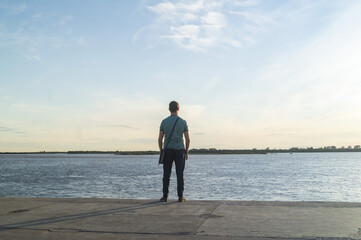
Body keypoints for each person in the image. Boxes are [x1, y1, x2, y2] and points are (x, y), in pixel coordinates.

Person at [158, 101, 190, 202]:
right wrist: (187, 152)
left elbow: (160, 139)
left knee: (166, 174)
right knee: (180, 174)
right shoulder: (183, 122)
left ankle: (165, 196)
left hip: (167, 150)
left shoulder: (164, 121)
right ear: (178, 109)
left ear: (169, 109)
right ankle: (180, 197)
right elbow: (188, 139)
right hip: (180, 150)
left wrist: (161, 150)